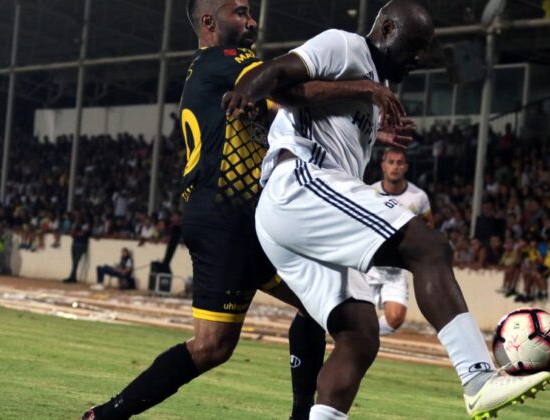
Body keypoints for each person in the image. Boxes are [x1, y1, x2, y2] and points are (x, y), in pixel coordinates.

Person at [224, 1, 550, 418]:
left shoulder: (375, 87)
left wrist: (376, 131)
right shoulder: (344, 46)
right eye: (413, 45)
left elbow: (323, 115)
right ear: (387, 28)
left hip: (292, 213)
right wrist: (249, 95)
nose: (417, 57)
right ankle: (478, 378)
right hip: (299, 183)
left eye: (423, 49)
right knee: (430, 247)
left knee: (359, 336)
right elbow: (272, 77)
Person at [82, 1, 407, 419]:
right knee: (211, 347)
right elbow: (288, 90)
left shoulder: (219, 71)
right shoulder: (228, 59)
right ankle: (106, 415)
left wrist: (370, 131)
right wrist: (365, 88)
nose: (252, 21)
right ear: (208, 22)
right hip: (226, 217)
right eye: (240, 13)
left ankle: (300, 414)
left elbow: (291, 112)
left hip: (250, 218)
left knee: (319, 305)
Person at [360, 147, 432, 336]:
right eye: (391, 162)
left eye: (400, 163)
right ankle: (351, 336)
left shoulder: (419, 197)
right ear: (383, 165)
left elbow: (428, 230)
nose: (395, 167)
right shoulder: (370, 192)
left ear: (406, 167)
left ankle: (362, 335)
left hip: (397, 270)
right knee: (351, 310)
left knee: (395, 319)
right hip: (368, 265)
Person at [63, 212, 91, 284]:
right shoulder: (75, 225)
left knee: (76, 261)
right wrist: (75, 230)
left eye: (78, 218)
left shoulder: (85, 225)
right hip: (75, 243)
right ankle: (73, 277)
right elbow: (72, 234)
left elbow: (83, 234)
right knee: (74, 261)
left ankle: (72, 277)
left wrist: (76, 233)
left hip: (81, 244)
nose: (77, 219)